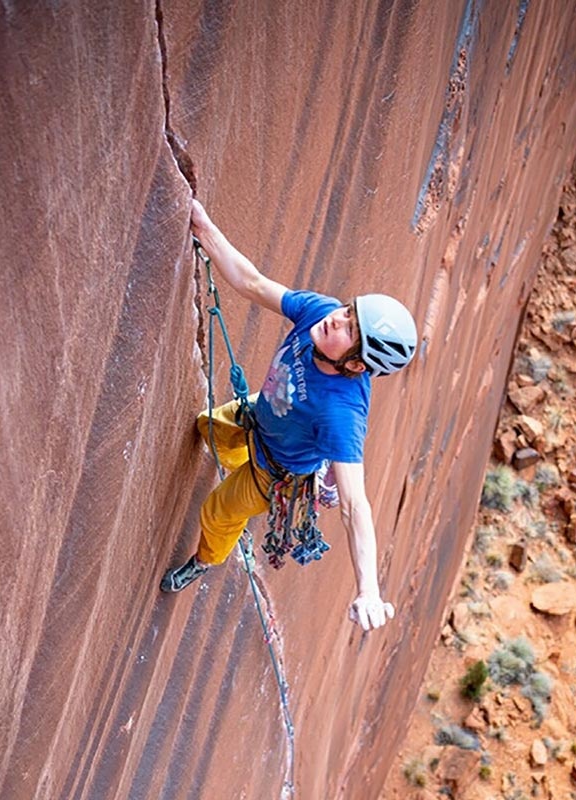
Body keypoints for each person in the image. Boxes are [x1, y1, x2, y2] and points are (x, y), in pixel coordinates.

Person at [160, 200, 417, 631]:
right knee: (206, 427)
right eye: (349, 311)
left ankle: (205, 560)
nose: (338, 319)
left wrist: (368, 589)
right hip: (263, 414)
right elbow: (254, 283)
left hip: (275, 472)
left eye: (350, 329)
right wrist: (203, 226)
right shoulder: (320, 312)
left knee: (218, 512)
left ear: (356, 364)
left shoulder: (342, 413)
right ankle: (234, 461)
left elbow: (356, 504)